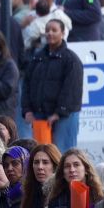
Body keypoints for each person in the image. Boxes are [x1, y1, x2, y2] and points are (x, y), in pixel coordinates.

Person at [23, 17, 84, 150]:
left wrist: (58, 113)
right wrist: (27, 110)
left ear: (62, 33)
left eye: (54, 30)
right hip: (40, 116)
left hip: (64, 117)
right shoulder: (37, 58)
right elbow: (27, 84)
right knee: (42, 156)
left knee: (63, 155)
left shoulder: (71, 59)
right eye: (47, 30)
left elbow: (72, 90)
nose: (50, 33)